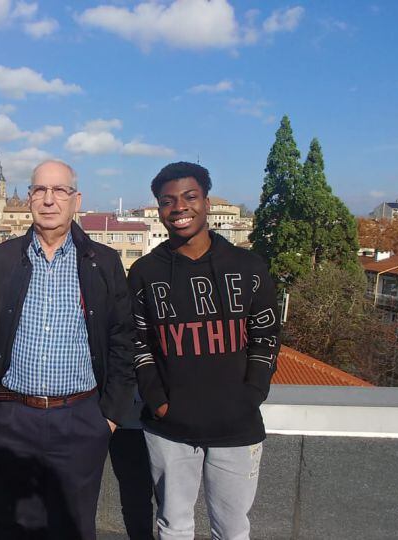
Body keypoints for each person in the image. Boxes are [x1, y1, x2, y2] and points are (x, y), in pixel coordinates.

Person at [0, 159, 136, 539]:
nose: (49, 200)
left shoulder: (103, 262)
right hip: (14, 417)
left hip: (81, 419)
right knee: (18, 528)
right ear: (29, 198)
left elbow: (123, 339)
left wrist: (108, 417)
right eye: (40, 190)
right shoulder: (0, 260)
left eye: (59, 191)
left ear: (75, 200)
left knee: (76, 527)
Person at [128, 162, 281, 540]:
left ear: (207, 202)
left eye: (189, 197)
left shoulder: (249, 266)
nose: (179, 207)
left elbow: (266, 335)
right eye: (167, 201)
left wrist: (250, 396)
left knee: (231, 530)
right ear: (159, 210)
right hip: (169, 427)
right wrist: (157, 398)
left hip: (237, 426)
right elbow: (136, 340)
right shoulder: (146, 271)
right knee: (173, 526)